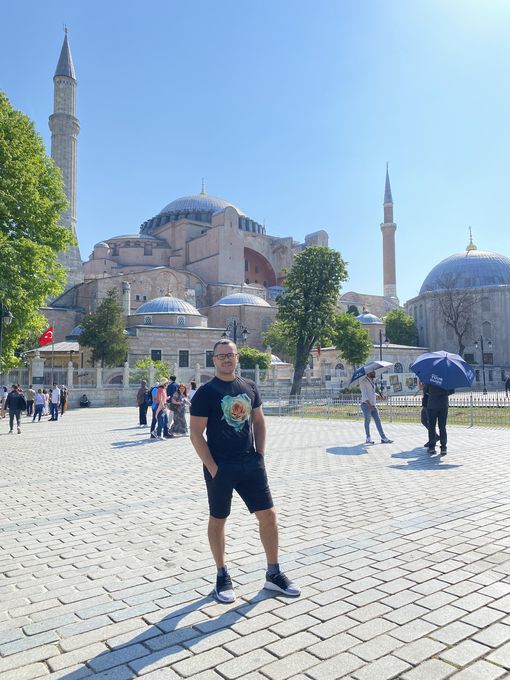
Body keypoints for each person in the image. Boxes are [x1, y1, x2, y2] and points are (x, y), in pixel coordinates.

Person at [190, 338, 300, 603]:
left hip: (250, 463)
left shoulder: (249, 386)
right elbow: (195, 434)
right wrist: (213, 468)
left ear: (237, 357)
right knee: (218, 519)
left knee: (268, 516)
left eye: (231, 355)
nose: (227, 359)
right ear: (214, 360)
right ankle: (221, 574)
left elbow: (259, 422)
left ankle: (273, 573)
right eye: (221, 356)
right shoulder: (206, 392)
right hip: (221, 466)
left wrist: (260, 455)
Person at [360, 371, 393, 445]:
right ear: (368, 373)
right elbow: (364, 394)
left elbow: (371, 392)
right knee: (367, 420)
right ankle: (368, 438)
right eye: (373, 372)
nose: (374, 373)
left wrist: (379, 396)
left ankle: (383, 438)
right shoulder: (363, 382)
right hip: (366, 405)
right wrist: (369, 405)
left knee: (378, 421)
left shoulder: (372, 381)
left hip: (373, 405)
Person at [427, 383, 454, 456]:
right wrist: (443, 393)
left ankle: (432, 447)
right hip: (443, 404)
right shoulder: (447, 379)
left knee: (432, 427)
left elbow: (426, 391)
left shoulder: (430, 379)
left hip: (432, 404)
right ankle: (443, 448)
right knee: (442, 427)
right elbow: (452, 391)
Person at [418, 382, 439, 448]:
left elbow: (428, 389)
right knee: (423, 420)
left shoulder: (431, 379)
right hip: (426, 403)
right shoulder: (425, 379)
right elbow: (421, 388)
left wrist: (424, 386)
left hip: (430, 403)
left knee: (430, 423)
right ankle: (435, 436)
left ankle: (432, 441)